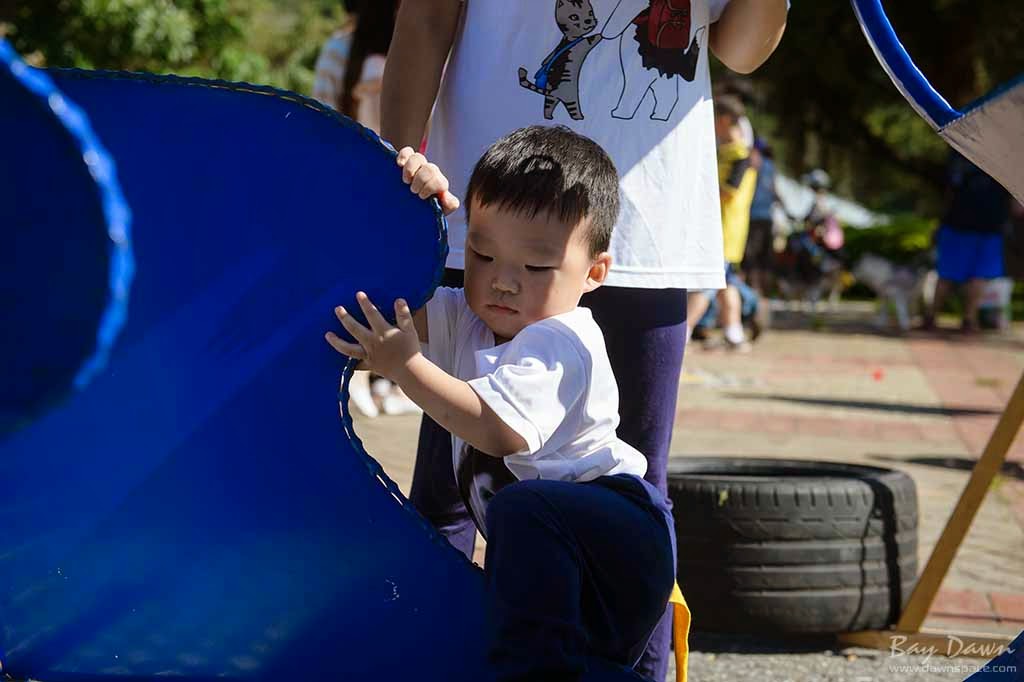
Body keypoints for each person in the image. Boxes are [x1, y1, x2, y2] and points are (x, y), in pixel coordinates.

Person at [381, 2, 788, 678]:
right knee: (450, 485)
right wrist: (396, 170)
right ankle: (431, 656)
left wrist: (401, 363)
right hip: (490, 207)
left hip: (644, 224)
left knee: (622, 487)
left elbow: (743, 49)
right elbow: (424, 18)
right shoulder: (491, 271)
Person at [326, 126, 676, 682]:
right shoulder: (467, 317)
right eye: (482, 254)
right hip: (557, 562)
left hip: (618, 540)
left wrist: (405, 366)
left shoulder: (563, 339)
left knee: (524, 518)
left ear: (595, 273)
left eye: (536, 267)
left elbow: (496, 431)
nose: (502, 283)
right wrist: (403, 198)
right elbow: (369, 319)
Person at [313, 0, 419, 417]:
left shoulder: (434, 44)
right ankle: (354, 373)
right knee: (352, 283)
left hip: (408, 186)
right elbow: (323, 118)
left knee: (399, 286)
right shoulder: (342, 48)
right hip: (353, 186)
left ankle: (392, 380)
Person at [686, 95, 758, 352]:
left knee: (705, 284)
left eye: (715, 118)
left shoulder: (740, 156)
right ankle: (734, 333)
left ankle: (684, 331)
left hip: (723, 231)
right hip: (721, 230)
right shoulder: (723, 152)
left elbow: (727, 192)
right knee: (726, 284)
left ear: (726, 120)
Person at [923, 152, 1012, 333]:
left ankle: (931, 317)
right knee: (979, 276)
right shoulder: (1008, 152)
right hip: (990, 224)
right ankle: (969, 320)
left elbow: (949, 190)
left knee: (947, 273)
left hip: (957, 222)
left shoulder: (959, 148)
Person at [744, 137, 783, 295]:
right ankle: (763, 298)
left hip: (752, 216)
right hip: (767, 217)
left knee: (751, 258)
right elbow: (774, 191)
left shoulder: (755, 163)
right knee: (765, 259)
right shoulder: (771, 166)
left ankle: (754, 294)